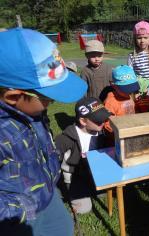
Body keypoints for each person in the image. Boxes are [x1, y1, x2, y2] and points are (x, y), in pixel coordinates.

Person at [0, 28, 87, 235]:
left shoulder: (31, 111)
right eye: (48, 98)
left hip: (47, 194)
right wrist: (20, 211)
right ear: (13, 97)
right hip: (16, 219)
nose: (53, 102)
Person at [55, 97, 111, 214]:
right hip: (74, 175)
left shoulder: (100, 132)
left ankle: (90, 185)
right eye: (98, 120)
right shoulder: (66, 139)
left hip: (93, 171)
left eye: (103, 118)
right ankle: (66, 190)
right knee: (83, 209)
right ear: (83, 121)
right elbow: (53, 158)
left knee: (105, 193)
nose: (103, 122)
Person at [104, 65, 140, 133]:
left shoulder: (131, 95)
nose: (130, 91)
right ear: (114, 86)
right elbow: (108, 124)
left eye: (132, 87)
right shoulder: (110, 102)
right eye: (126, 88)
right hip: (120, 135)